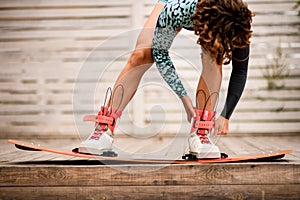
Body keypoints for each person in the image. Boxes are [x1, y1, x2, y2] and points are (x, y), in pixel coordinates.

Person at [77, 0, 253, 159]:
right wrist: (184, 99)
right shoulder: (177, 10)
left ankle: (201, 132)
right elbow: (159, 54)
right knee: (141, 55)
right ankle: (104, 130)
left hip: (216, 18)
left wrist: (225, 115)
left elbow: (239, 72)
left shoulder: (236, 19)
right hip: (179, 7)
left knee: (214, 58)